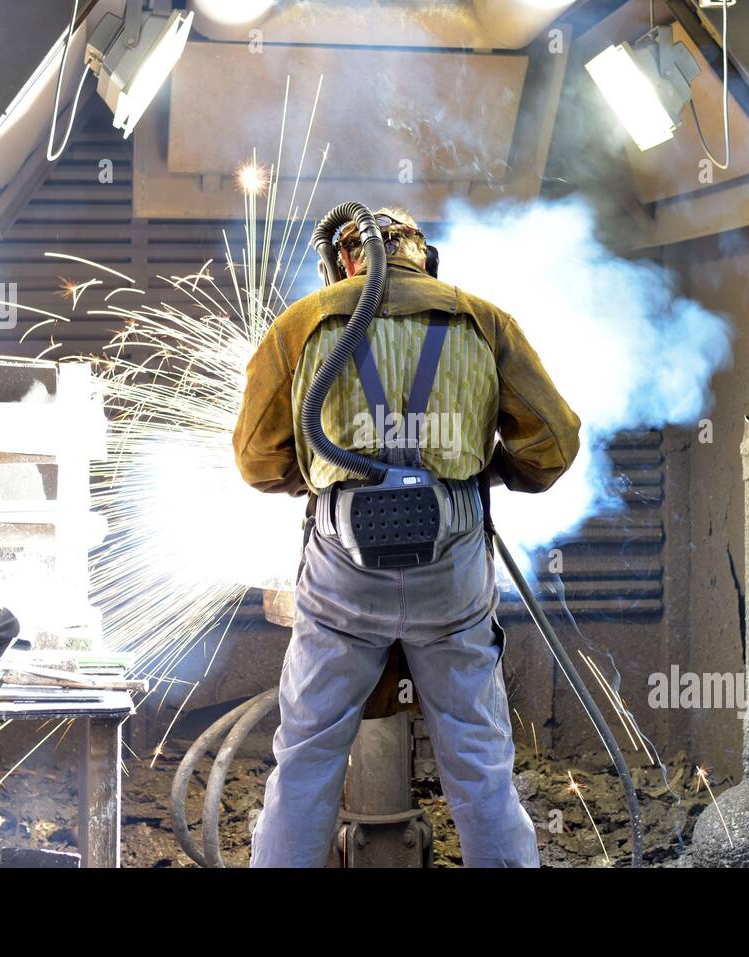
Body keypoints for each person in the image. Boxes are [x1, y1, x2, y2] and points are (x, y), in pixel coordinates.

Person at [232, 208, 580, 867]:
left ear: (347, 259)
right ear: (424, 256)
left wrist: (318, 475)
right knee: (480, 760)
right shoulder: (483, 320)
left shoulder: (304, 323)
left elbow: (255, 457)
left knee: (305, 760)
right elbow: (553, 443)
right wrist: (482, 474)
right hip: (450, 572)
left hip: (342, 573)